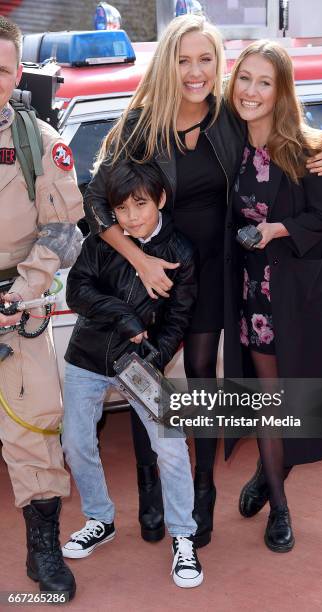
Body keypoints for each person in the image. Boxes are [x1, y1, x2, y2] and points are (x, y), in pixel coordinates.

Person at [84, 14, 322, 547]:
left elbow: (284, 127)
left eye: (206, 60)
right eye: (184, 60)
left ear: (217, 65)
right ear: (168, 64)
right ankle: (150, 492)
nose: (195, 72)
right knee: (144, 375)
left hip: (216, 271)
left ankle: (202, 493)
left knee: (200, 374)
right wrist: (139, 260)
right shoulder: (139, 124)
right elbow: (94, 202)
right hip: (153, 271)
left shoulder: (227, 115)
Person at [223, 40, 322, 552]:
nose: (251, 91)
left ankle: (268, 468)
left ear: (281, 93)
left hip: (298, 293)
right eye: (244, 79)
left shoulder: (305, 149)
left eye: (264, 82)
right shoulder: (227, 139)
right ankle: (280, 506)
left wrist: (277, 229)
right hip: (251, 295)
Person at [61, 161, 204, 589]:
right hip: (86, 357)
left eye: (140, 205)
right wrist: (123, 315)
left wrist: (152, 357)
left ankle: (184, 537)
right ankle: (99, 519)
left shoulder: (180, 251)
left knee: (173, 450)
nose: (131, 217)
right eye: (121, 208)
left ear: (160, 200)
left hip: (141, 365)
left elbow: (179, 318)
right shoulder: (102, 240)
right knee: (76, 443)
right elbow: (77, 291)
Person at [0, 16, 83, 600]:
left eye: (1, 69)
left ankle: (44, 548)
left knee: (34, 434)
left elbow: (63, 233)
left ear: (16, 72)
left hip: (17, 312)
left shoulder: (40, 143)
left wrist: (22, 293)